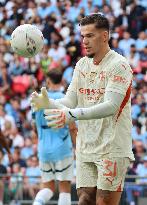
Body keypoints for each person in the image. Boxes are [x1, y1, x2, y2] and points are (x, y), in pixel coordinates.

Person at [31, 14, 134, 205]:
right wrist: (50, 104)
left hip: (112, 148)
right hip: (86, 147)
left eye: (90, 36)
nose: (84, 41)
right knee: (85, 200)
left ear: (104, 36)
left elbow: (111, 106)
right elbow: (70, 100)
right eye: (82, 36)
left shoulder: (119, 65)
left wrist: (72, 115)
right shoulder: (81, 65)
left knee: (103, 202)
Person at [32, 69, 77, 205]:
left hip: (44, 149)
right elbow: (73, 127)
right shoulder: (65, 99)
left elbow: (35, 126)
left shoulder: (37, 99)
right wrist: (78, 148)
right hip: (62, 148)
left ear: (48, 81)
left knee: (48, 187)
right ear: (61, 80)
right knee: (64, 188)